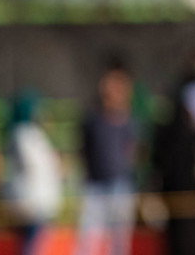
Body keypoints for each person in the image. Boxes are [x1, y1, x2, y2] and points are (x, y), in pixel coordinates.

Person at [74, 63, 138, 255]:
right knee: (88, 241)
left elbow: (132, 152)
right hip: (95, 187)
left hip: (120, 186)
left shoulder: (128, 121)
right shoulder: (92, 119)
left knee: (119, 243)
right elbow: (82, 151)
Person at [151, 83, 195, 255]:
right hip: (189, 204)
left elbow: (156, 165)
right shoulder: (192, 136)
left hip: (179, 205)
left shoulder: (166, 136)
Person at [2, 91, 63, 255]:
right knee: (30, 246)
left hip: (38, 202)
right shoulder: (22, 134)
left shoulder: (32, 134)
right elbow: (33, 165)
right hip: (31, 202)